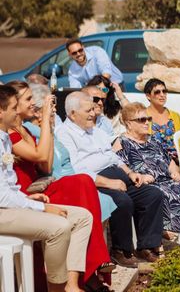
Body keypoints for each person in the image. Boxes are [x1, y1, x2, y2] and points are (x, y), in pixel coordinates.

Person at [6, 81, 114, 290]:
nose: (33, 103)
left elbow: (45, 165)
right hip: (25, 194)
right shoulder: (10, 133)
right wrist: (45, 118)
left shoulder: (25, 130)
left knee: (82, 181)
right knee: (81, 183)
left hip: (40, 186)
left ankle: (88, 269)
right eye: (27, 99)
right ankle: (90, 269)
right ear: (14, 104)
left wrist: (49, 125)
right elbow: (38, 156)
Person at [57, 92, 164, 267]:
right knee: (123, 202)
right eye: (88, 110)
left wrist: (130, 173)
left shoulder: (95, 130)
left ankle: (147, 246)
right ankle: (121, 250)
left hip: (119, 175)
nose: (94, 113)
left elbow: (114, 158)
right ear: (73, 114)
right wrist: (110, 183)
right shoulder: (65, 134)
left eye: (93, 109)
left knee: (153, 195)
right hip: (96, 181)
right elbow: (76, 169)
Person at [114, 102, 180, 248]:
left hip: (166, 180)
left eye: (148, 119)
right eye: (142, 120)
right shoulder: (121, 142)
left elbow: (169, 161)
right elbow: (119, 165)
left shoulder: (153, 140)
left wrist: (174, 171)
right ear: (129, 124)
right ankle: (156, 240)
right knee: (161, 195)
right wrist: (138, 175)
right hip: (145, 184)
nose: (147, 122)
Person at [29, 83, 117, 223]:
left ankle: (98, 243)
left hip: (73, 178)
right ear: (38, 111)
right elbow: (46, 165)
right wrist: (47, 123)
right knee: (89, 186)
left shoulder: (51, 130)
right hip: (56, 182)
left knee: (99, 195)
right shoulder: (36, 131)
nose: (55, 110)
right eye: (51, 105)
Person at [143, 79, 180, 182]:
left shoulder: (175, 116)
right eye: (157, 92)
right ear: (148, 96)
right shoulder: (143, 116)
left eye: (164, 91)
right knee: (175, 170)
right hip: (154, 158)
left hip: (175, 158)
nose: (162, 95)